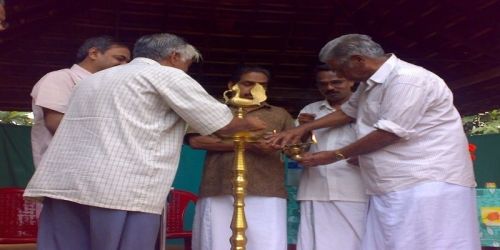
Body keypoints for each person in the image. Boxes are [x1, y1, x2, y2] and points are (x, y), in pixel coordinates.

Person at [24, 33, 266, 250]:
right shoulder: (167, 75)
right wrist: (253, 125)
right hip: (119, 188)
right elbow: (222, 124)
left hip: (65, 184)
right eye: (187, 64)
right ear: (174, 57)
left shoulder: (92, 80)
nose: (186, 71)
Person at [270, 34, 480, 250]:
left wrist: (335, 155)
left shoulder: (408, 80)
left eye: (339, 69)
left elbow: (390, 133)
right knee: (392, 243)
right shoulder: (370, 84)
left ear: (357, 60)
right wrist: (304, 128)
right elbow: (347, 113)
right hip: (390, 183)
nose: (339, 75)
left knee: (429, 242)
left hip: (426, 180)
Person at [187, 66, 295, 250]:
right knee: (217, 242)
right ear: (232, 85)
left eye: (262, 85)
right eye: (248, 84)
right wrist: (249, 145)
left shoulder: (279, 114)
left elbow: (292, 148)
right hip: (219, 187)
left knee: (266, 243)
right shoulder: (214, 110)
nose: (254, 89)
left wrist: (283, 144)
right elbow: (196, 141)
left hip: (267, 188)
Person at [30, 35, 131, 168]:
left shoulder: (112, 88)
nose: (125, 66)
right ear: (94, 53)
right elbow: (57, 124)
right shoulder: (60, 78)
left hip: (103, 170)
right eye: (120, 59)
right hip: (64, 170)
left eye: (128, 62)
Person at [296, 64, 367, 250]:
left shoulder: (366, 107)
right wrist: (303, 131)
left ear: (351, 81)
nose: (329, 87)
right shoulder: (311, 110)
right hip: (315, 189)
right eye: (323, 84)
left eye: (336, 82)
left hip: (355, 189)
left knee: (357, 242)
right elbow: (294, 148)